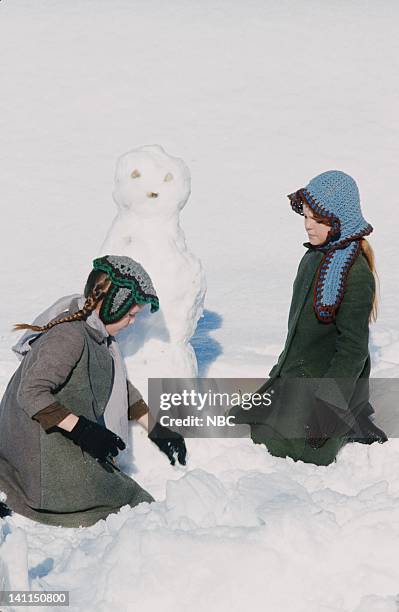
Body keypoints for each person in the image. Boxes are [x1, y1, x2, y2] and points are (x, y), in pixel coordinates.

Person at [0, 255, 187, 526]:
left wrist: (157, 430)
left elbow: (116, 387)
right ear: (113, 304)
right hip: (38, 454)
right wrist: (83, 430)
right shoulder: (70, 336)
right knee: (134, 502)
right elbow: (31, 392)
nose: (133, 322)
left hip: (44, 445)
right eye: (131, 314)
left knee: (125, 492)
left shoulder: (95, 334)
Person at [232, 170, 387, 466]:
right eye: (305, 217)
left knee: (287, 447)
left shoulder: (355, 276)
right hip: (298, 373)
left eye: (317, 220)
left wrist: (328, 407)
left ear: (339, 220)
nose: (307, 226)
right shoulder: (314, 256)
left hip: (325, 385)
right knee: (250, 426)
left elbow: (353, 351)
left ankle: (353, 418)